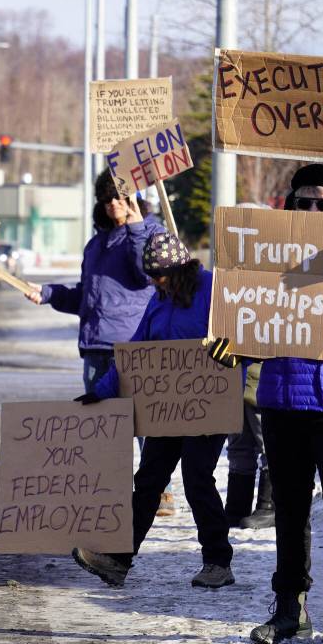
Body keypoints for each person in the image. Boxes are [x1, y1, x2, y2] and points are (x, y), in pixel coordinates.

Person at [210, 164, 323, 644]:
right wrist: (228, 347)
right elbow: (252, 327)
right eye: (304, 201)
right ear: (290, 205)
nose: (313, 210)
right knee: (290, 510)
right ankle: (290, 608)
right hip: (280, 401)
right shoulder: (270, 261)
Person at [70, 231, 235, 590]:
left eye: (160, 277)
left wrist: (231, 353)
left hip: (208, 403)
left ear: (180, 271)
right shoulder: (159, 299)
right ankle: (118, 560)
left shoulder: (213, 290)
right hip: (166, 406)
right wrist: (102, 391)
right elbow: (135, 352)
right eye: (152, 278)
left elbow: (241, 340)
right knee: (148, 479)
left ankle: (218, 561)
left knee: (196, 479)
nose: (155, 284)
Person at [25, 170, 177, 515]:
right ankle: (111, 490)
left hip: (134, 343)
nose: (113, 205)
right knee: (103, 424)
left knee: (143, 422)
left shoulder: (151, 233)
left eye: (119, 198)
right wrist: (48, 294)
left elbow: (147, 273)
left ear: (134, 197)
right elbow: (87, 296)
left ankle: (160, 493)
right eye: (107, 199)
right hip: (96, 346)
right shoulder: (96, 245)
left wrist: (136, 228)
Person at [223, 363, 273, 529]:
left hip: (263, 377)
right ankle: (237, 507)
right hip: (235, 376)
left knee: (269, 445)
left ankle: (269, 506)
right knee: (239, 447)